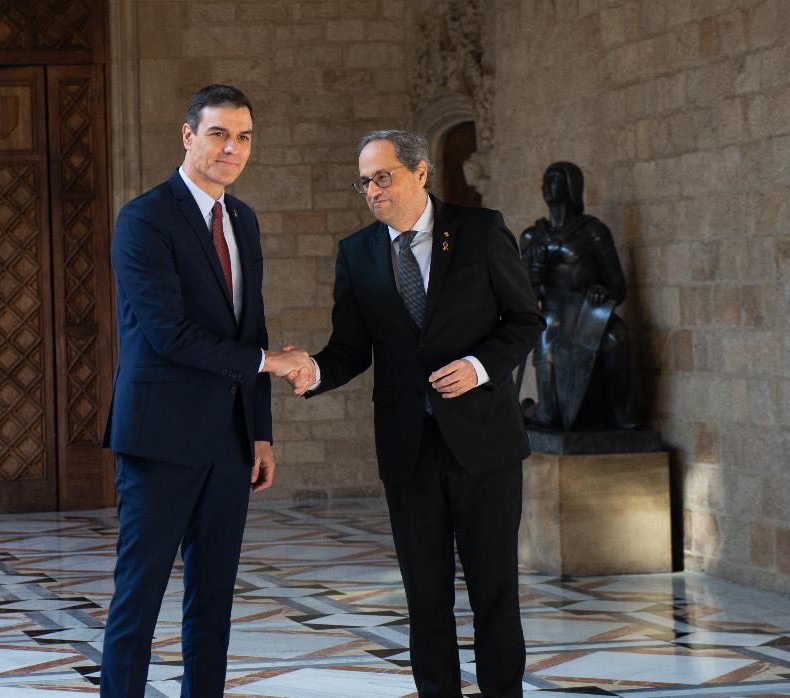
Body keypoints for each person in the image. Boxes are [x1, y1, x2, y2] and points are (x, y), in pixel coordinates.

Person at [279, 130, 543, 697]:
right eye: (364, 181)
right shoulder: (357, 252)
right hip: (409, 449)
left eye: (383, 176)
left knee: (494, 591)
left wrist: (478, 365)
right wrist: (314, 372)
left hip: (485, 445)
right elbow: (351, 348)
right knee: (425, 597)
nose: (372, 190)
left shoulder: (479, 231)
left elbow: (524, 320)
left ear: (421, 173)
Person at [99, 84, 299, 698]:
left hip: (231, 442)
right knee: (139, 598)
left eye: (243, 137)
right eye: (218, 134)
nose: (231, 148)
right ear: (188, 137)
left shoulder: (243, 218)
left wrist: (259, 431)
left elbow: (251, 324)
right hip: (161, 439)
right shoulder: (144, 218)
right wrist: (272, 363)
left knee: (213, 602)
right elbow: (168, 336)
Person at [520, 161, 636, 430]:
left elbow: (618, 288)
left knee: (616, 336)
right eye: (545, 181)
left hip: (586, 313)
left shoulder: (593, 232)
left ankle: (616, 410)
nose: (546, 187)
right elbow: (520, 298)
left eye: (555, 180)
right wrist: (534, 281)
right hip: (551, 316)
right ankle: (529, 410)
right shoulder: (532, 237)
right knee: (550, 418)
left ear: (572, 186)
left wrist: (602, 292)